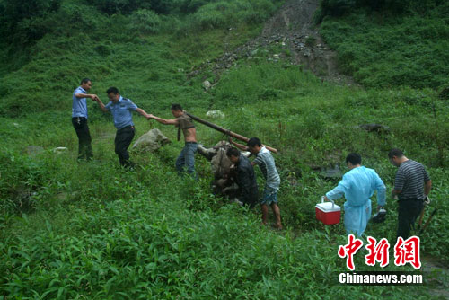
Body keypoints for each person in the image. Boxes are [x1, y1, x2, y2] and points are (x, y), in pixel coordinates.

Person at [323, 153, 386, 236]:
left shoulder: (349, 175)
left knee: (352, 233)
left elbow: (340, 190)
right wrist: (380, 203)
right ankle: (362, 246)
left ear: (349, 163)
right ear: (360, 162)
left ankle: (356, 247)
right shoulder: (371, 172)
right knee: (362, 230)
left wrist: (328, 196)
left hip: (353, 209)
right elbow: (382, 188)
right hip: (367, 206)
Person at [230, 137, 282, 229]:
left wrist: (236, 166)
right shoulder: (264, 149)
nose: (251, 151)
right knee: (273, 203)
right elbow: (245, 148)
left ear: (256, 147)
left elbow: (249, 165)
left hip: (272, 182)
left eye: (252, 149)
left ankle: (264, 223)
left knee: (263, 203)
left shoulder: (262, 156)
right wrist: (233, 143)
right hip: (275, 180)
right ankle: (278, 223)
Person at [94, 87, 150, 168]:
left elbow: (139, 110)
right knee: (118, 150)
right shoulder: (111, 103)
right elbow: (104, 109)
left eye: (112, 97)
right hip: (120, 130)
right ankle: (123, 166)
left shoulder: (126, 102)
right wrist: (98, 101)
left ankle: (130, 167)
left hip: (128, 129)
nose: (111, 99)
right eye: (109, 98)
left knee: (121, 149)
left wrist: (146, 115)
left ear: (117, 95)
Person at [388, 148, 432, 239]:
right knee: (411, 225)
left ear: (394, 158)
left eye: (392, 162)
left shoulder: (402, 170)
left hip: (407, 204)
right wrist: (425, 196)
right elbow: (428, 183)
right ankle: (410, 244)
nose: (394, 164)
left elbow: (398, 190)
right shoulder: (419, 165)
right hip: (419, 203)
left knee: (403, 229)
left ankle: (400, 249)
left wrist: (393, 193)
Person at [147, 104, 198, 178]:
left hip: (191, 145)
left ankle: (194, 185)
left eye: (173, 113)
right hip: (189, 145)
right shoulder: (186, 116)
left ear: (178, 111)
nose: (173, 115)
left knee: (190, 168)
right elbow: (183, 111)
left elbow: (165, 122)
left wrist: (154, 117)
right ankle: (183, 180)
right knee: (179, 163)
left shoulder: (183, 119)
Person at [72, 78, 99, 161]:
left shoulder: (83, 92)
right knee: (86, 138)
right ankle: (88, 159)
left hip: (82, 118)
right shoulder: (79, 90)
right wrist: (90, 95)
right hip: (78, 118)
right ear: (83, 83)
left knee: (84, 138)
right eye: (89, 85)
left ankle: (81, 158)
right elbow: (77, 95)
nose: (90, 87)